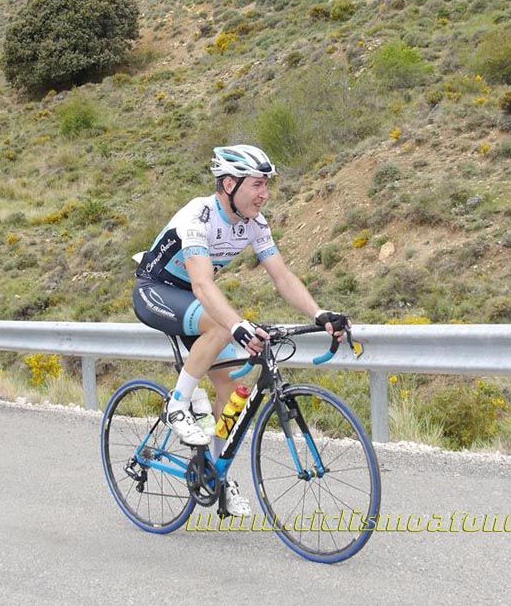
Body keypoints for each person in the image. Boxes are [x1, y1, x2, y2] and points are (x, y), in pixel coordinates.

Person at [132, 144, 349, 517]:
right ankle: (178, 404)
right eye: (257, 185)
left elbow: (281, 276)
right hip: (157, 291)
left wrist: (319, 313)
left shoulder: (254, 224)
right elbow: (201, 284)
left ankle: (217, 474)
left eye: (267, 185)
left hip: (197, 302)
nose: (264, 194)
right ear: (229, 183)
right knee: (221, 324)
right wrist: (236, 326)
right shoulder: (197, 215)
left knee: (231, 391)